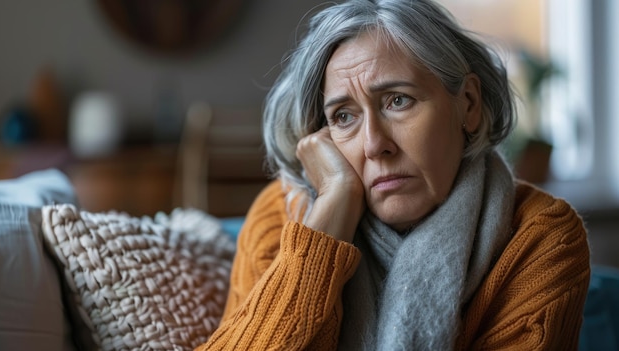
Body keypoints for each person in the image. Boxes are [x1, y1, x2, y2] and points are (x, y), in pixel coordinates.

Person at [196, 0, 590, 349]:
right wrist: (326, 222)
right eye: (344, 117)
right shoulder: (282, 215)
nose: (373, 144)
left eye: (398, 101)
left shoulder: (541, 237)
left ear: (468, 104)